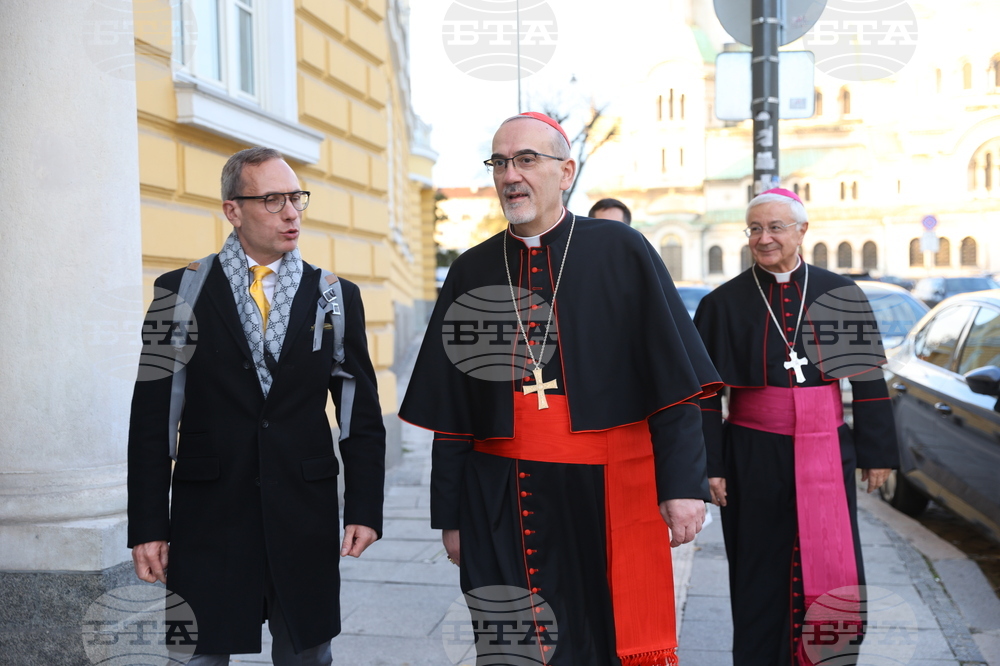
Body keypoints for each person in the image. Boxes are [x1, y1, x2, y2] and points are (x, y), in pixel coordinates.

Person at [400, 112, 722, 666]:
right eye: (499, 162)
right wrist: (450, 517)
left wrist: (682, 484)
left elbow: (673, 384)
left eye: (526, 159)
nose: (510, 175)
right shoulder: (472, 270)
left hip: (603, 489)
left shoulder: (622, 251)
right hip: (501, 493)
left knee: (602, 641)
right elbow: (452, 412)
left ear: (566, 171)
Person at [127, 147, 386, 665]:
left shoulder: (335, 296)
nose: (291, 213)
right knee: (199, 655)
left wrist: (363, 507)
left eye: (295, 198)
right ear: (233, 210)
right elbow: (153, 416)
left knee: (308, 655)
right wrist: (149, 524)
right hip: (210, 515)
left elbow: (359, 411)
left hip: (303, 511)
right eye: (272, 200)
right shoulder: (177, 293)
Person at [693, 188, 899, 666]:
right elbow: (705, 396)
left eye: (776, 227)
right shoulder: (722, 304)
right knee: (757, 563)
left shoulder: (837, 293)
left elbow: (867, 378)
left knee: (829, 557)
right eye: (755, 229)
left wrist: (878, 454)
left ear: (802, 231)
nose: (764, 239)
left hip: (827, 446)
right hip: (751, 451)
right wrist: (711, 466)